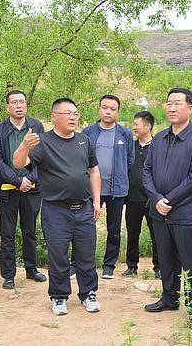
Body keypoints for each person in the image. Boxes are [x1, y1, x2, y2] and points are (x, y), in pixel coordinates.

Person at [13, 98, 102, 316]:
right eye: (67, 114)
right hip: (56, 210)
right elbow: (17, 163)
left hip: (83, 208)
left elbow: (94, 171)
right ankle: (59, 296)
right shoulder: (42, 142)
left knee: (86, 255)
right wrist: (24, 146)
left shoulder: (84, 140)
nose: (73, 118)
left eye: (76, 113)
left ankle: (88, 293)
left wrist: (97, 201)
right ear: (54, 117)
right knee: (58, 256)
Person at [142, 88, 192, 323]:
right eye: (168, 103)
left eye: (177, 103)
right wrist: (156, 199)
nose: (171, 108)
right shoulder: (159, 138)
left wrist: (168, 200)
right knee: (167, 259)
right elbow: (147, 171)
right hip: (159, 212)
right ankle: (169, 298)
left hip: (186, 213)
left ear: (190, 108)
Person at [0, 90, 46, 290]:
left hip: (32, 189)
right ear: (8, 107)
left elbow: (42, 157)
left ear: (26, 106)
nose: (19, 105)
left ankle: (31, 269)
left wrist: (29, 179)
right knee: (7, 233)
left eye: (22, 102)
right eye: (14, 102)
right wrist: (16, 181)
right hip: (7, 190)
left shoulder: (36, 127)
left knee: (30, 231)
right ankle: (8, 275)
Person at [82, 95, 134, 279]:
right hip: (90, 190)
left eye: (112, 109)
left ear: (118, 112)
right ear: (99, 109)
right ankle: (83, 264)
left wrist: (119, 176)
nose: (108, 112)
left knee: (114, 229)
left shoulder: (125, 134)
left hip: (116, 190)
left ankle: (108, 265)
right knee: (85, 227)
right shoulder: (88, 132)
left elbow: (130, 160)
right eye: (105, 107)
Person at [123, 110, 160, 278]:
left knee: (157, 235)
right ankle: (132, 266)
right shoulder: (131, 146)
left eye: (137, 124)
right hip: (132, 198)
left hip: (152, 200)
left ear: (148, 126)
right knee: (132, 234)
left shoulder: (158, 146)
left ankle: (159, 267)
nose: (134, 127)